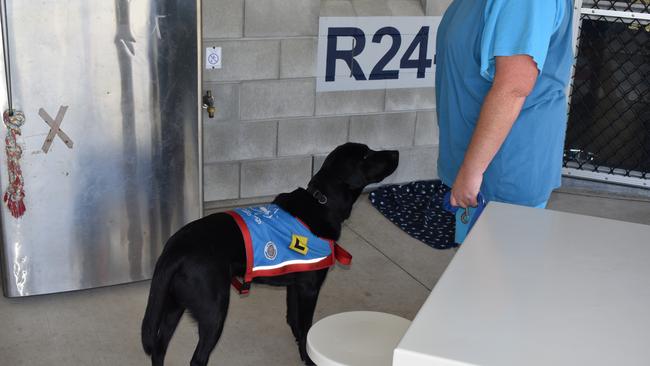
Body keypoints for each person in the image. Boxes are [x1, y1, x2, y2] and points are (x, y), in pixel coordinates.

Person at [435, 0, 574, 220]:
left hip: (502, 168)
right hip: (476, 161)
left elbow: (513, 88)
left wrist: (472, 171)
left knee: (496, 252)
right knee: (472, 252)